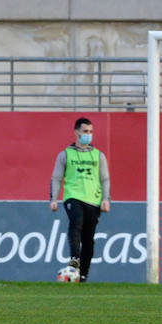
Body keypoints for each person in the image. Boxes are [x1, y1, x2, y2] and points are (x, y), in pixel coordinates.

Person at [50, 118, 111, 282]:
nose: (88, 135)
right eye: (85, 132)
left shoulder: (99, 155)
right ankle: (74, 258)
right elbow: (57, 178)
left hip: (93, 199)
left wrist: (106, 199)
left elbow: (105, 179)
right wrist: (53, 199)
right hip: (73, 195)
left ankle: (83, 275)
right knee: (76, 222)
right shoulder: (65, 154)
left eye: (90, 132)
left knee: (88, 238)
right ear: (76, 132)